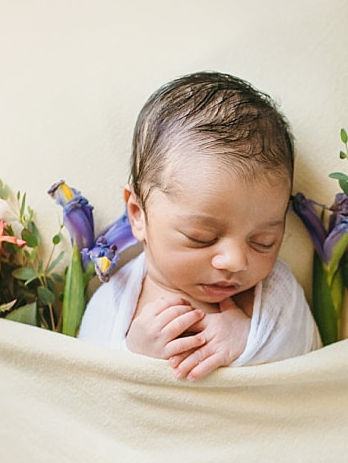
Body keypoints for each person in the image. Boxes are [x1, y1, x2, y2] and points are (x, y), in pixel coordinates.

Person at [78, 71, 320, 380]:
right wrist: (134, 352)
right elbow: (89, 379)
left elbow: (311, 359)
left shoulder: (276, 293)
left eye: (263, 241)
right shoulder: (116, 298)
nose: (235, 261)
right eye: (201, 238)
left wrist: (250, 340)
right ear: (138, 214)